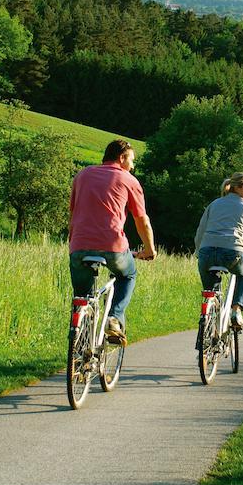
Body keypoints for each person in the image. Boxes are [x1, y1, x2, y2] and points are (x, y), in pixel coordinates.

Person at [69, 139, 156, 344]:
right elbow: (141, 220)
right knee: (128, 275)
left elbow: (72, 213)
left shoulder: (82, 175)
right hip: (113, 247)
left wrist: (74, 243)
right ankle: (114, 318)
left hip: (78, 246)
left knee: (82, 298)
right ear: (122, 157)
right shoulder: (129, 180)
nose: (133, 166)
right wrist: (149, 249)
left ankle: (78, 349)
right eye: (132, 160)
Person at [194, 172, 243, 330]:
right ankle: (236, 310)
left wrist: (199, 251)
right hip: (233, 253)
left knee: (211, 292)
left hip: (206, 253)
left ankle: (210, 324)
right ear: (237, 188)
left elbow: (201, 231)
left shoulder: (214, 204)